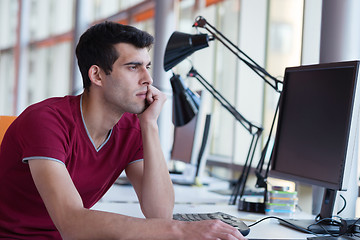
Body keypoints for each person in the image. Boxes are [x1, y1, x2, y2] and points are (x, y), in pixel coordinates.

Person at [0, 21, 246, 239]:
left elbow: (159, 213)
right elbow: (72, 223)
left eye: (147, 66)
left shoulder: (132, 127)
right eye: (133, 67)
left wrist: (149, 126)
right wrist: (182, 230)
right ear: (96, 75)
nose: (148, 79)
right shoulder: (45, 121)